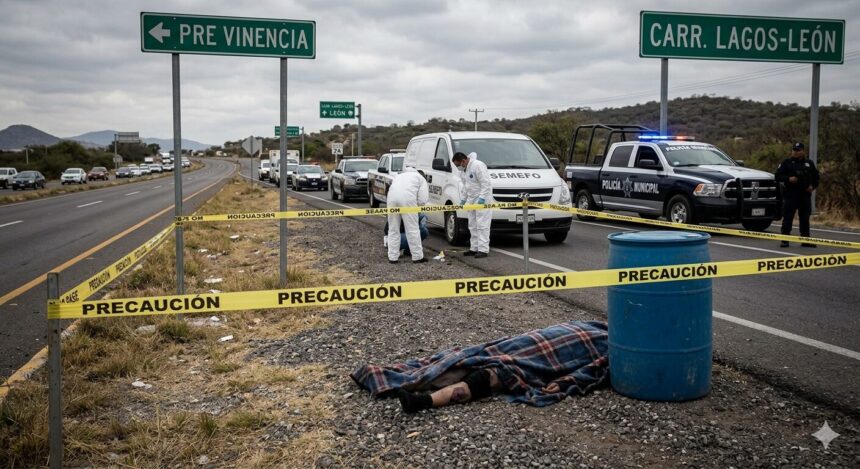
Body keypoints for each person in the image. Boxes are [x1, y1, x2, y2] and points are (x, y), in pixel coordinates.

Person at [351, 321, 609, 413]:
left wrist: (565, 382)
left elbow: (593, 370)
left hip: (540, 361)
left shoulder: (612, 348)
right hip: (523, 344)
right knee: (468, 359)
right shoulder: (596, 326)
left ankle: (424, 402)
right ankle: (398, 378)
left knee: (493, 375)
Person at [775, 142, 820, 248]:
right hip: (791, 194)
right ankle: (785, 240)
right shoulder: (786, 163)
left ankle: (805, 240)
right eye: (794, 150)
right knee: (788, 217)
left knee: (805, 218)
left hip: (804, 194)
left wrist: (812, 186)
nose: (795, 152)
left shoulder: (809, 163)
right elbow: (777, 176)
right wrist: (788, 179)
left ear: (803, 151)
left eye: (798, 150)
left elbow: (816, 177)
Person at [452, 151, 492, 258]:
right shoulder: (463, 171)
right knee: (472, 225)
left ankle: (483, 250)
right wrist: (463, 200)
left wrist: (482, 198)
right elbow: (466, 187)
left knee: (482, 225)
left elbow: (486, 183)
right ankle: (474, 248)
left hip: (482, 199)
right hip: (471, 200)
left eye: (458, 165)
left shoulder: (478, 165)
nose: (458, 167)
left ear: (463, 161)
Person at [386, 167, 429, 263]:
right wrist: (416, 208)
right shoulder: (421, 178)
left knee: (393, 229)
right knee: (412, 229)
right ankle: (417, 257)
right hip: (408, 200)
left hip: (391, 200)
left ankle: (392, 257)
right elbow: (422, 200)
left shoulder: (399, 176)